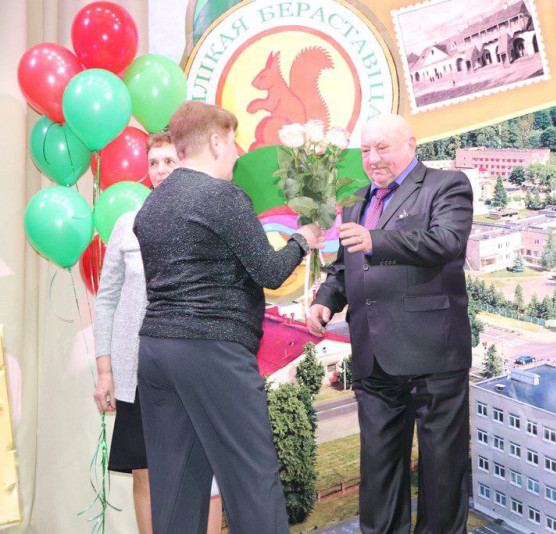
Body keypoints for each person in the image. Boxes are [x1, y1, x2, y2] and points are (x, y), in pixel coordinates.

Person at [132, 101, 324, 534]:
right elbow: (270, 272)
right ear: (216, 141)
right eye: (234, 142)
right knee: (252, 479)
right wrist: (301, 240)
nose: (237, 153)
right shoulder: (223, 196)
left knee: (175, 486)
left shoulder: (152, 205)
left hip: (156, 351)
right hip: (211, 350)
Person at [307, 114, 474, 533]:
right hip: (373, 360)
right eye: (366, 150)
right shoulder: (356, 200)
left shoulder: (446, 185)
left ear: (410, 144)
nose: (372, 158)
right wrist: (325, 300)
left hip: (433, 357)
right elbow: (344, 266)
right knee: (379, 479)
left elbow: (446, 241)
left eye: (382, 147)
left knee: (442, 476)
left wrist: (375, 240)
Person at [92, 131, 224, 534]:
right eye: (154, 162)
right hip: (136, 374)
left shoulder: (207, 219)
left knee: (207, 474)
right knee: (146, 473)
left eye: (169, 161)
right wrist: (105, 372)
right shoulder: (127, 224)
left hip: (192, 367)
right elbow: (106, 300)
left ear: (185, 163)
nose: (161, 170)